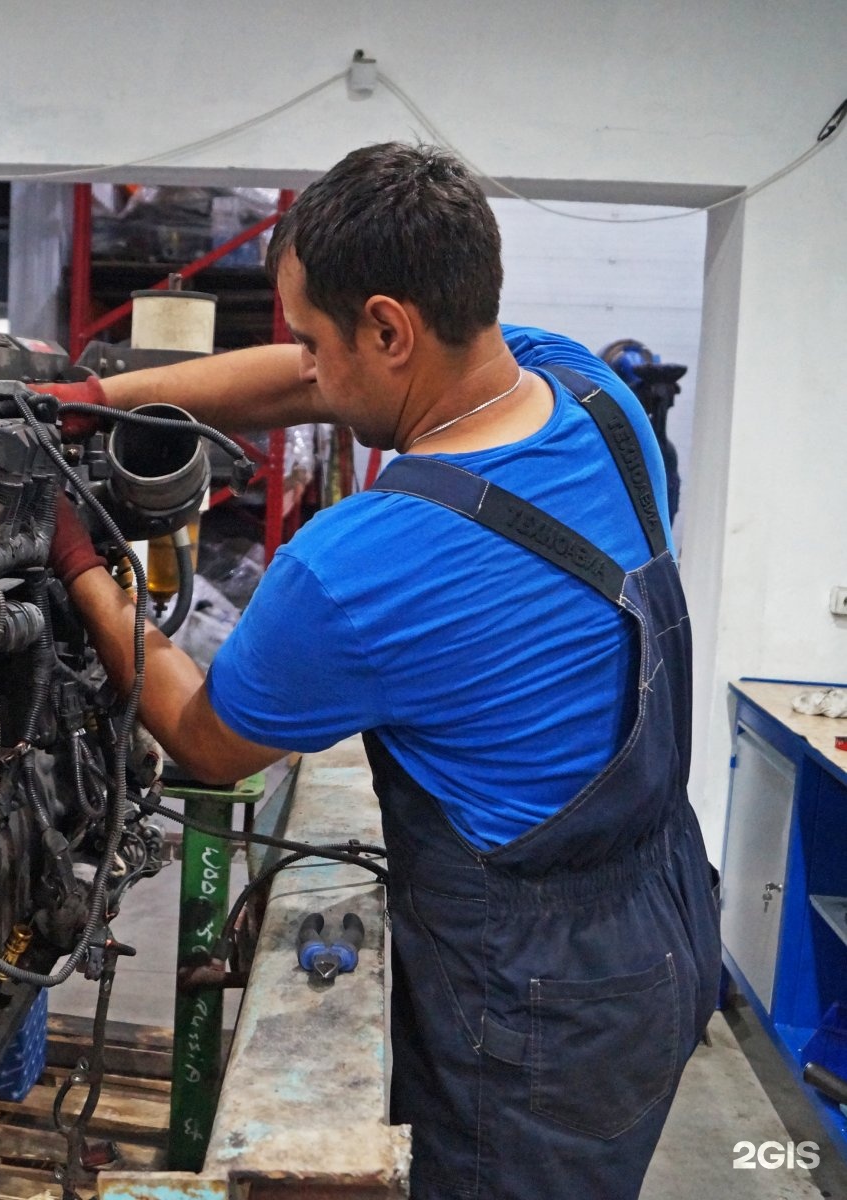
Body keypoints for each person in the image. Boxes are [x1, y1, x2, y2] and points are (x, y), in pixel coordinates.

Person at [44, 143, 720, 1200]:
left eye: (312, 334)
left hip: (540, 1014)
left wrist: (83, 568)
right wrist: (95, 401)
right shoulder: (588, 392)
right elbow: (311, 386)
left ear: (391, 328)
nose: (302, 362)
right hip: (667, 919)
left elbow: (207, 738)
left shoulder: (360, 564)